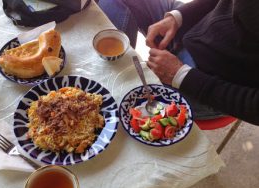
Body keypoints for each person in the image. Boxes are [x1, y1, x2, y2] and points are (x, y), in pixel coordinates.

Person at [98, 0, 259, 125]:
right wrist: (178, 16)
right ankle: (113, 66)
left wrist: (182, 76)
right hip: (200, 26)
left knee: (122, 101)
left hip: (212, 83)